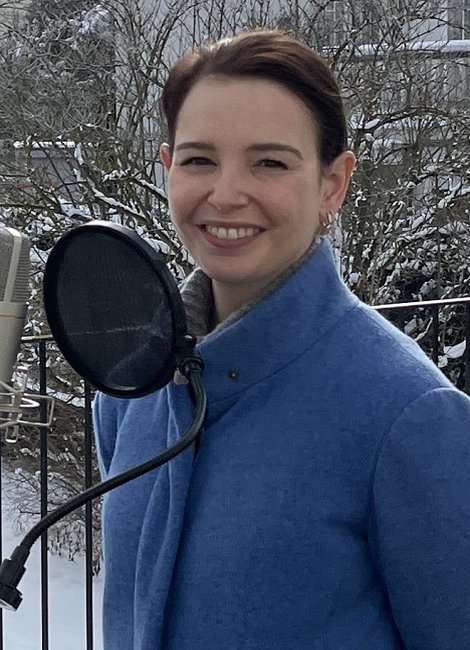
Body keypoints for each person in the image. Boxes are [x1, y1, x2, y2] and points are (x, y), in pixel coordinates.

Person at [93, 29, 470, 650]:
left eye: (270, 162)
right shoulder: (134, 389)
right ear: (167, 168)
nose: (225, 194)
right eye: (199, 160)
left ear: (333, 183)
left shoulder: (411, 415)